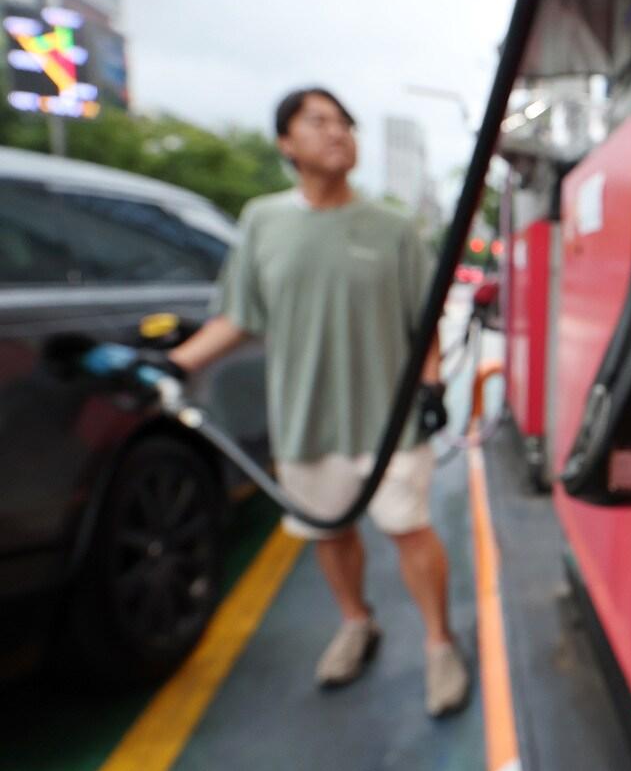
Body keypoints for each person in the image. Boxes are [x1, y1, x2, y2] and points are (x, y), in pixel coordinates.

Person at [167, 87, 469, 716]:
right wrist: (172, 364)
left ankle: (440, 642)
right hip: (304, 420)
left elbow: (425, 321)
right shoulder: (262, 222)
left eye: (346, 123)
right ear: (286, 142)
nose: (338, 133)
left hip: (390, 422)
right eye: (319, 121)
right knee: (329, 532)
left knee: (409, 529)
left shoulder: (393, 229)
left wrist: (434, 385)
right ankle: (357, 621)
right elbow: (239, 316)